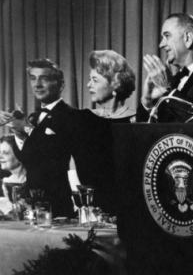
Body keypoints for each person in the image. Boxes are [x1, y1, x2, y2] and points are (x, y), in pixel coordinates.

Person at [0, 59, 114, 217]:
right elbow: (27, 158)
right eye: (33, 78)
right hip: (35, 206)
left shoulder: (75, 117)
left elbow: (57, 154)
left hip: (62, 206)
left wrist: (27, 129)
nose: (37, 84)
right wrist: (19, 133)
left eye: (44, 79)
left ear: (61, 85)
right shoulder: (33, 118)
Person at [88, 50, 136, 123]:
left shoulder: (135, 118)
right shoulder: (88, 117)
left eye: (95, 80)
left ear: (115, 84)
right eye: (89, 79)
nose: (88, 85)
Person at [0, 134, 27, 203]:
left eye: (5, 153)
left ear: (19, 155)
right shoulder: (3, 182)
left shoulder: (33, 183)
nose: (0, 156)